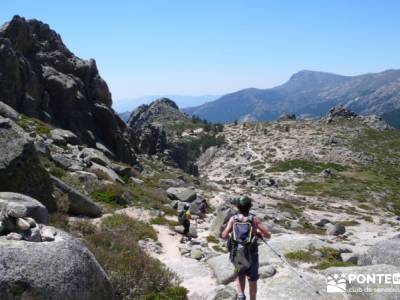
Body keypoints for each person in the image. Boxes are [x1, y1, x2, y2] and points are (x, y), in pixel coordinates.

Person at [221, 196, 270, 300]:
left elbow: (224, 236)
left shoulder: (233, 219)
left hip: (237, 255)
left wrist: (231, 233)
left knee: (240, 274)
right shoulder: (254, 219)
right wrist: (257, 233)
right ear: (249, 207)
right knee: (253, 279)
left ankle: (241, 295)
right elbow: (268, 235)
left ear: (238, 206)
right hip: (252, 254)